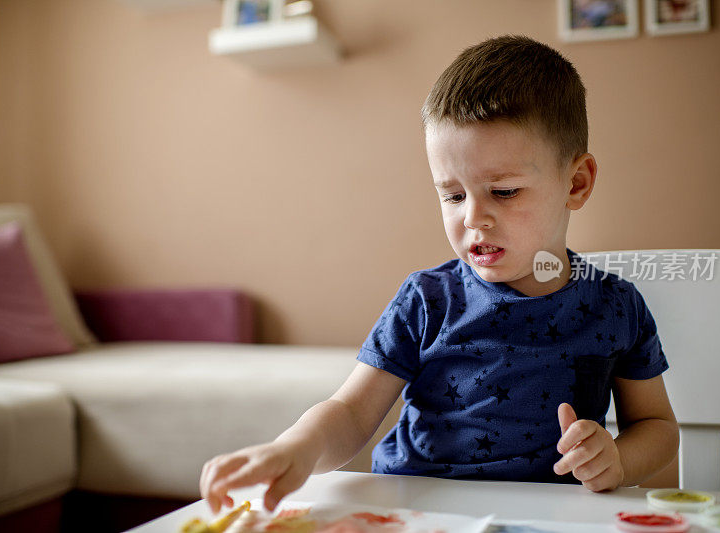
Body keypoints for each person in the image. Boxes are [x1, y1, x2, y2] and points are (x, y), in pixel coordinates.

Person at [199, 35, 679, 514]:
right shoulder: (428, 299)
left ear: (576, 183)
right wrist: (294, 449)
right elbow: (349, 413)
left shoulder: (614, 305)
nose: (473, 218)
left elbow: (657, 427)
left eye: (505, 191)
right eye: (452, 195)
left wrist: (618, 458)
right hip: (418, 508)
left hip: (548, 514)